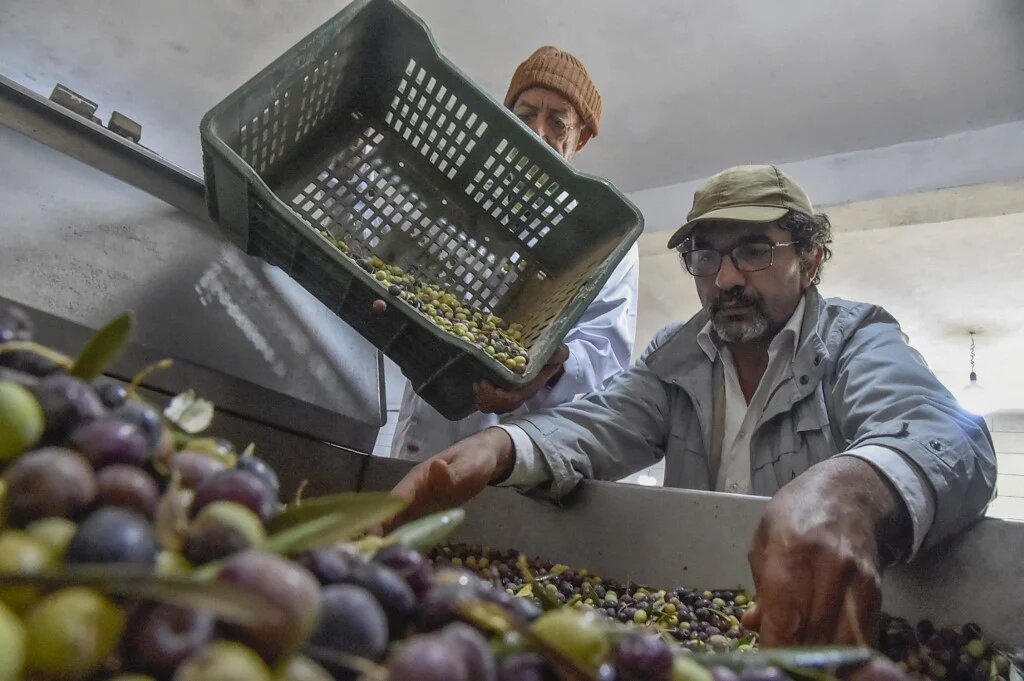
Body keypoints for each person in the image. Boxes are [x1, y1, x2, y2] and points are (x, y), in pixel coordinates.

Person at [388, 164, 997, 646]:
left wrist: (852, 496)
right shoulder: (676, 358)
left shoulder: (855, 340)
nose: (726, 278)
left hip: (825, 630)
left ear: (809, 260)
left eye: (755, 250)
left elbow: (952, 438)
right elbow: (601, 422)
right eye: (706, 257)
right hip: (700, 625)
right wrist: (501, 444)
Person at [390, 46, 639, 459]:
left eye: (558, 122)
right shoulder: (460, 199)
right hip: (423, 437)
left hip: (512, 454)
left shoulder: (604, 237)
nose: (537, 132)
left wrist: (546, 368)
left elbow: (603, 355)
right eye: (525, 115)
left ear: (582, 137)